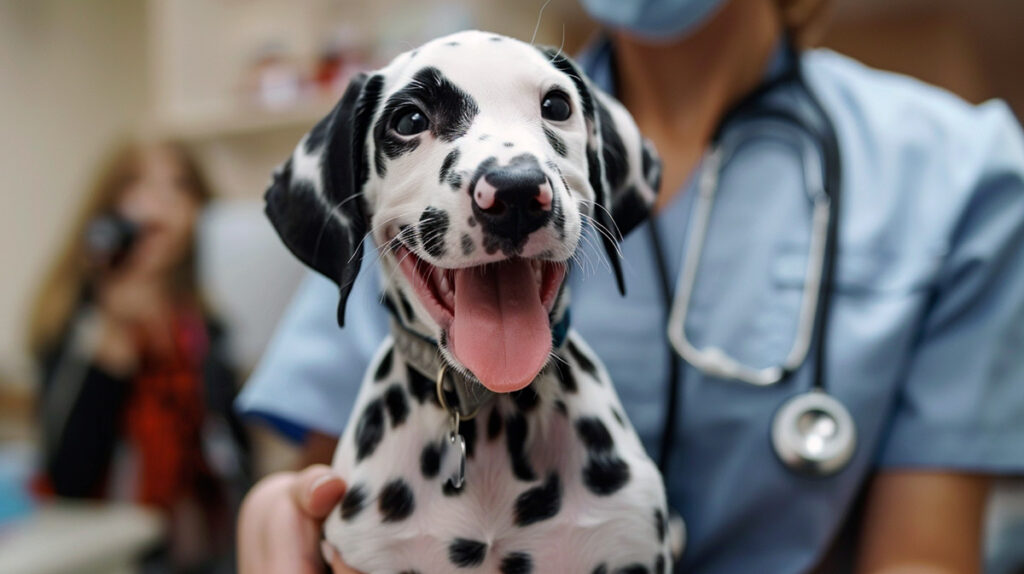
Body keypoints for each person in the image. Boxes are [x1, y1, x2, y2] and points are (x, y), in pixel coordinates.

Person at [236, 0, 1024, 572]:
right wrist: (282, 515)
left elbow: (923, 560)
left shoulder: (959, 174)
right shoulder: (391, 173)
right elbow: (325, 472)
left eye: (552, 113)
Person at [28, 139, 250, 571]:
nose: (160, 202)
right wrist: (107, 356)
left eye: (179, 187)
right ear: (107, 208)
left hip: (211, 553)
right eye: (138, 185)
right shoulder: (73, 322)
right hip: (111, 555)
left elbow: (233, 455)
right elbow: (66, 479)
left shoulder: (204, 328)